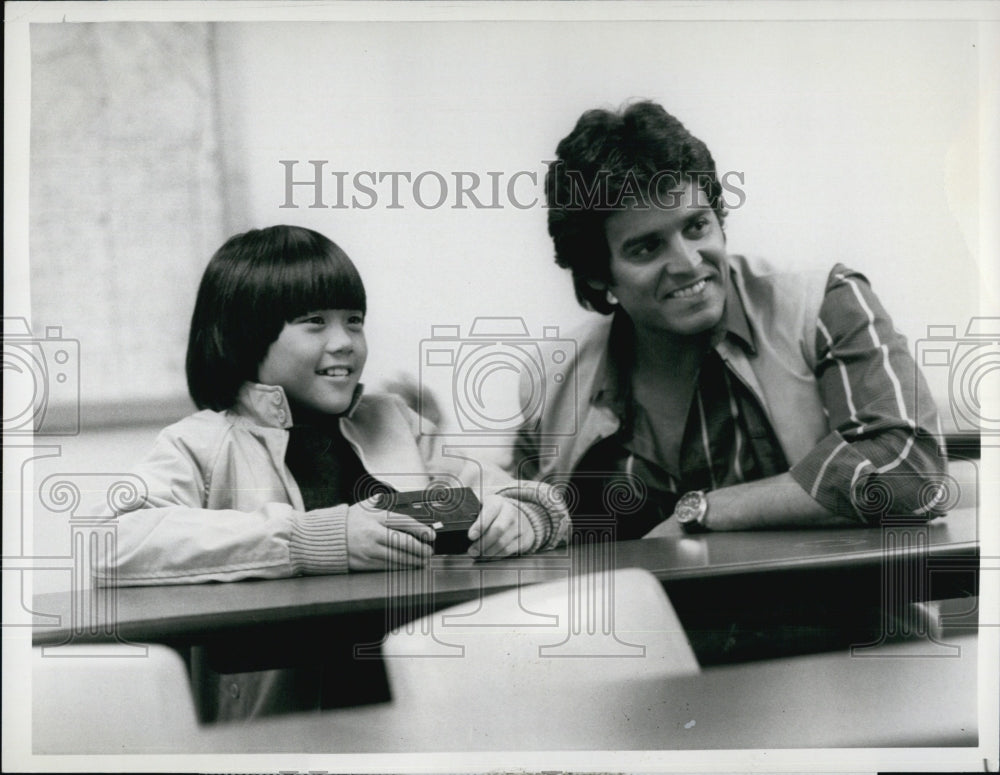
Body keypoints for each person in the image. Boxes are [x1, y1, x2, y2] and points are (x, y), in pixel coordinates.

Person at [95, 224, 569, 719]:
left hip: (424, 711)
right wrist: (313, 539)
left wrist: (522, 518)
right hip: (282, 738)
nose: (345, 342)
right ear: (246, 335)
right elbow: (113, 541)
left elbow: (533, 500)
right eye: (315, 321)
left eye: (355, 321)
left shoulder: (396, 422)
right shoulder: (201, 442)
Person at [511, 100, 947, 539]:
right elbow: (526, 524)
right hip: (633, 609)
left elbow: (909, 468)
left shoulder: (824, 304)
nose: (686, 262)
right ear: (597, 275)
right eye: (647, 248)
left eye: (696, 226)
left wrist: (701, 512)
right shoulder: (553, 379)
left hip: (836, 605)